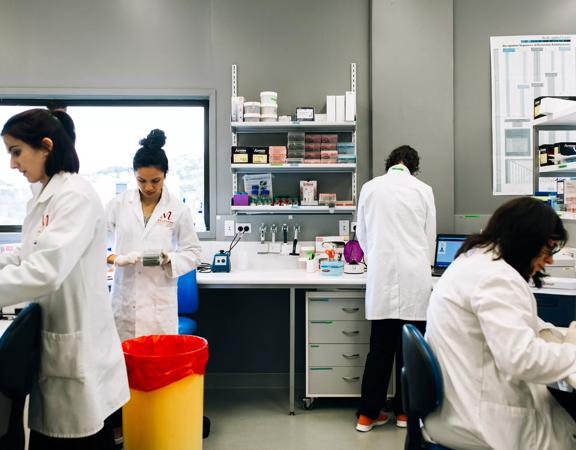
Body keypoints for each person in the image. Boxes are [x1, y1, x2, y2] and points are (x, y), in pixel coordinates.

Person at [0, 108, 129, 449]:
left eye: (16, 152)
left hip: (75, 346)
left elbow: (45, 270)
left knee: (78, 439)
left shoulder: (75, 196)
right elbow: (27, 254)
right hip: (58, 340)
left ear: (45, 146)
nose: (12, 164)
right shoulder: (45, 195)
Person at [423, 197, 576, 449]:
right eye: (548, 249)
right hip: (482, 421)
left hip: (459, 405)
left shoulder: (475, 261)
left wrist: (552, 334)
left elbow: (516, 319)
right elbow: (521, 358)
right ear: (526, 241)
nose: (549, 260)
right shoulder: (496, 277)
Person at [355, 145, 436, 431]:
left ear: (389, 163)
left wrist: (375, 256)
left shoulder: (370, 188)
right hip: (416, 276)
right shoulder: (423, 190)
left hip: (382, 275)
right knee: (410, 349)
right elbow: (430, 238)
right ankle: (405, 414)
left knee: (379, 349)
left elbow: (361, 236)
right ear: (413, 167)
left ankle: (367, 415)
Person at [106, 129, 201, 342]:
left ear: (165, 175)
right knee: (126, 368)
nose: (148, 187)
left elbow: (193, 253)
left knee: (158, 369)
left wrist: (169, 259)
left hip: (159, 305)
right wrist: (116, 258)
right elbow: (93, 244)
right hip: (125, 304)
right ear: (134, 175)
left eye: (155, 181)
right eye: (141, 180)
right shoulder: (118, 205)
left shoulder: (177, 209)